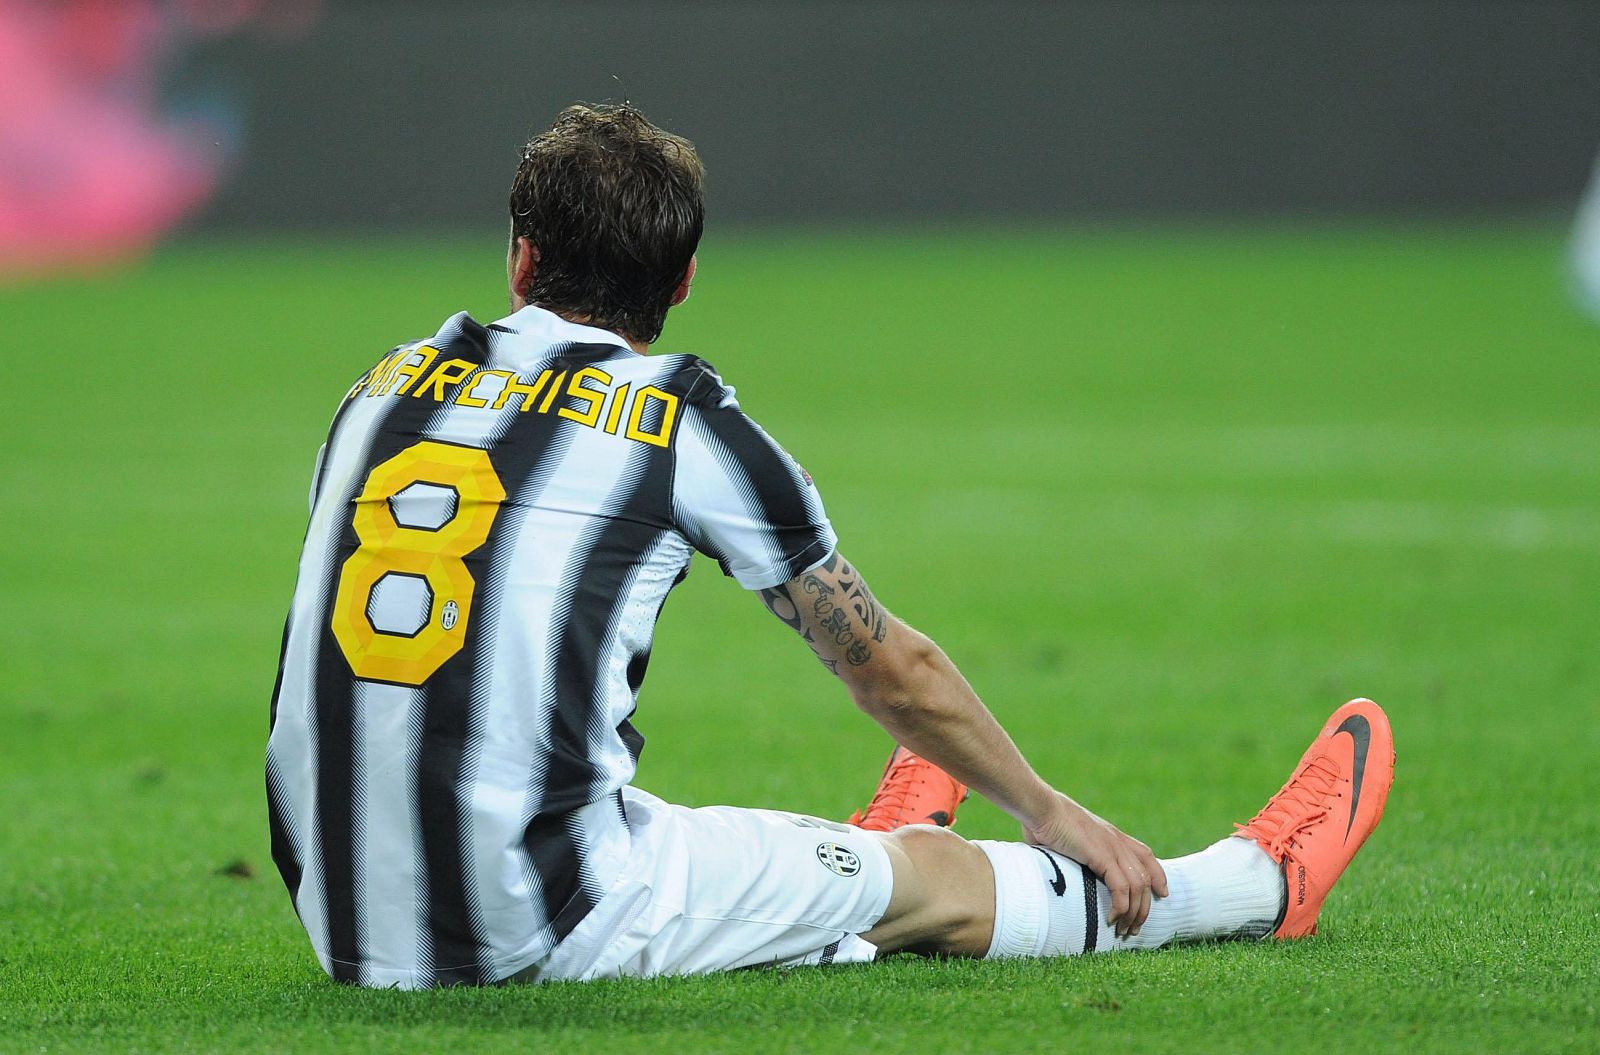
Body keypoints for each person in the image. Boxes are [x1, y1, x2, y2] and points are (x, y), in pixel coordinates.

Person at [265, 103, 1395, 989]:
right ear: (683, 281)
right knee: (933, 880)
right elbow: (885, 666)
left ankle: (843, 872)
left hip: (340, 918)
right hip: (535, 924)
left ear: (519, 261)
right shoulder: (677, 421)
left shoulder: (377, 388)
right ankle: (1246, 887)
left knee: (693, 835)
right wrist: (1049, 808)